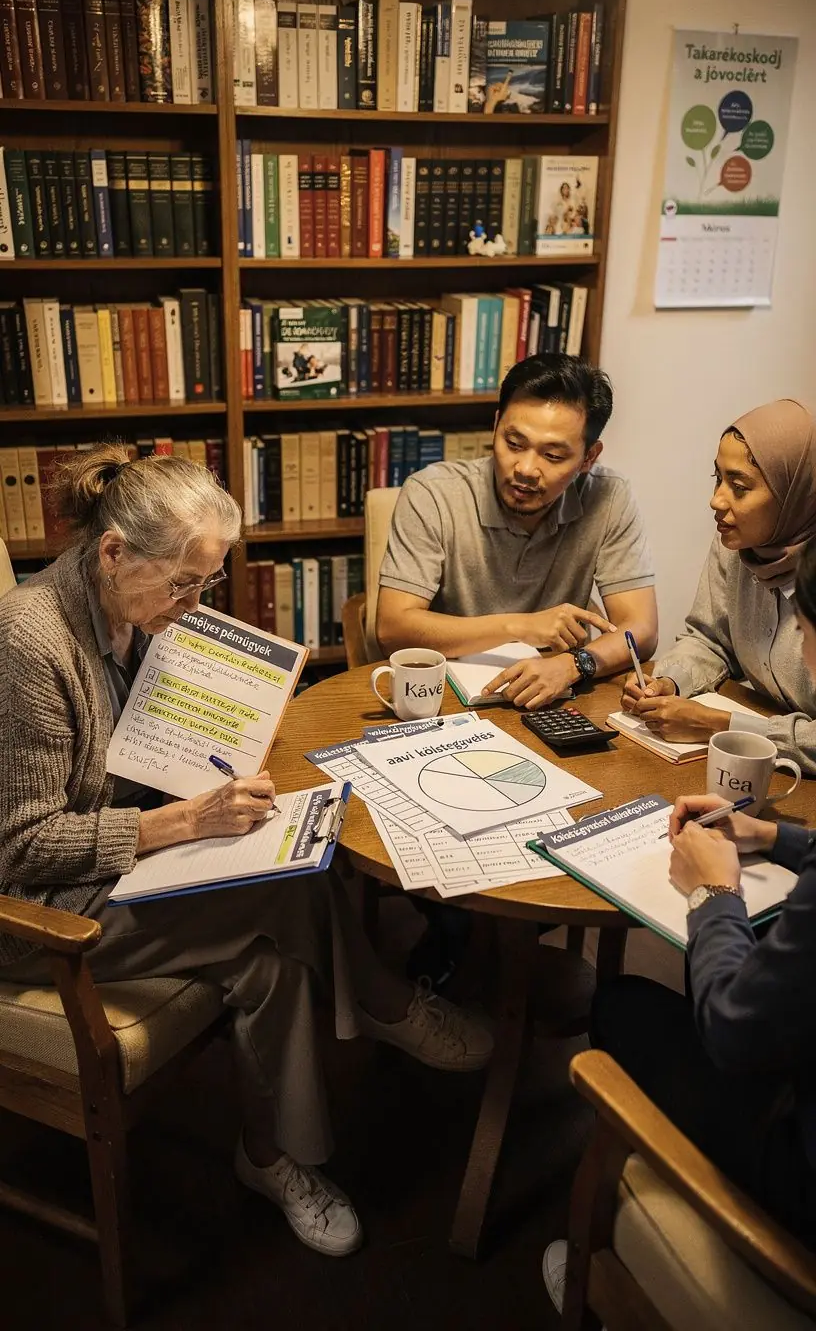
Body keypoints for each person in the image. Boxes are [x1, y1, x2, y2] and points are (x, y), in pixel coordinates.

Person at [0, 444, 492, 1259]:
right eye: (183, 582)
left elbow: (143, 753)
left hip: (121, 863)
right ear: (114, 552)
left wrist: (221, 740)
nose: (194, 604)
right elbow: (19, 847)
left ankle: (269, 1155)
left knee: (277, 950)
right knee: (290, 889)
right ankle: (382, 1001)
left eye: (208, 582)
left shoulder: (129, 604)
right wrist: (183, 824)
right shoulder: (29, 641)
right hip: (41, 913)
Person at [542, 530, 816, 1317]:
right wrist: (781, 838)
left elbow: (734, 1028)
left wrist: (714, 895)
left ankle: (601, 1260)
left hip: (800, 1177)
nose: (795, 637)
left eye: (803, 624)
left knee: (622, 1004)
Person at [377, 353, 658, 711]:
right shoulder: (432, 493)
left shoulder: (610, 496)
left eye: (553, 456)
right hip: (447, 701)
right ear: (496, 425)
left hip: (557, 697)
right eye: (514, 444)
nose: (525, 469)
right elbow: (392, 629)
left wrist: (575, 664)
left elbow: (641, 628)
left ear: (589, 458)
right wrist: (522, 627)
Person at [620, 398, 816, 773]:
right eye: (717, 478)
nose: (716, 500)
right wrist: (669, 680)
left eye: (739, 487)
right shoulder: (738, 544)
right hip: (764, 773)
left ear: (796, 494)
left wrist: (722, 726)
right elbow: (710, 638)